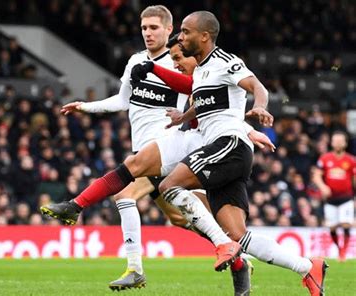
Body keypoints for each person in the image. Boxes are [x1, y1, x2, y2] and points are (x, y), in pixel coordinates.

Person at [43, 23, 273, 294]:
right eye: (143, 28)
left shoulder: (188, 58)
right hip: (154, 147)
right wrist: (85, 106)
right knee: (181, 218)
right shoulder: (137, 61)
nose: (147, 33)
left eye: (154, 27)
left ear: (168, 29)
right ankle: (238, 254)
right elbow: (123, 100)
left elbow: (214, 101)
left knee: (125, 195)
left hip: (175, 147)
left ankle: (132, 266)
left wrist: (247, 129)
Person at [129, 11, 327, 296]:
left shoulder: (226, 61)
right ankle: (308, 267)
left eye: (185, 32)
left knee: (169, 186)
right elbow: (213, 108)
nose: (181, 37)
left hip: (229, 145)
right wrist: (183, 117)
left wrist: (260, 106)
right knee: (239, 235)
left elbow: (257, 86)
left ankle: (221, 245)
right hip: (228, 149)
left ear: (204, 36)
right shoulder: (202, 72)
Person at [313, 131, 355, 261]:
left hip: (346, 198)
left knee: (346, 224)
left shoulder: (351, 160)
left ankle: (343, 252)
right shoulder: (325, 159)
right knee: (332, 227)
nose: (337, 143)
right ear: (331, 143)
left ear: (345, 143)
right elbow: (316, 176)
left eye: (339, 141)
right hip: (330, 199)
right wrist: (323, 187)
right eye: (335, 141)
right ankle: (339, 248)